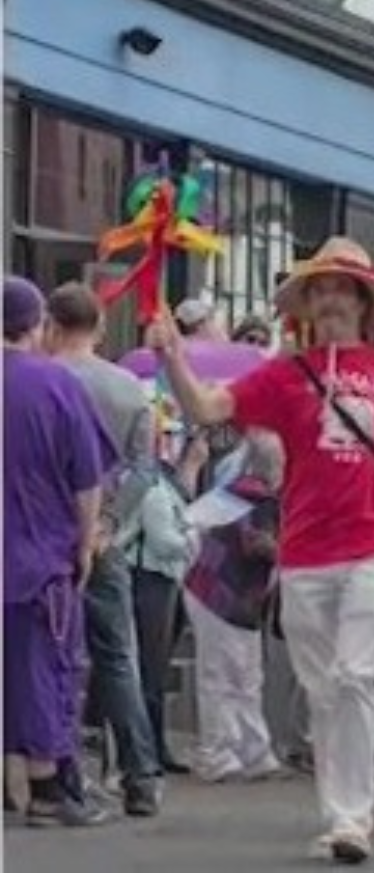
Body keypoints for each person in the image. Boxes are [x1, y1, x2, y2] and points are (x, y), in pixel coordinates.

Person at [148, 237, 374, 865]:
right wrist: (174, 357)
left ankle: (352, 819)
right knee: (321, 688)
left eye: (344, 288)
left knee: (354, 674)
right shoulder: (284, 375)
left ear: (366, 303)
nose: (332, 297)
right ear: (306, 305)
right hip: (307, 549)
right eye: (321, 288)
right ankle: (336, 813)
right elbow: (207, 408)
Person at [41, 283, 176, 811]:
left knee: (52, 657)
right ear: (98, 328)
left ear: (51, 325)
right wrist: (110, 523)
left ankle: (61, 770)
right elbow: (145, 469)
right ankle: (141, 775)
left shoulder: (39, 382)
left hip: (46, 534)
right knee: (119, 658)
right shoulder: (128, 389)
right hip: (106, 540)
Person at [3, 277, 114, 827]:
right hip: (36, 557)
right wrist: (86, 540)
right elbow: (87, 478)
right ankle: (47, 789)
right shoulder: (57, 384)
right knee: (44, 669)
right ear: (37, 325)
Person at [181, 432, 285, 781]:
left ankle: (248, 749)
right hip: (225, 595)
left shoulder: (236, 491)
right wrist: (295, 554)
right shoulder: (262, 499)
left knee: (239, 674)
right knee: (227, 675)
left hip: (217, 590)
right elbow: (257, 543)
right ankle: (220, 752)